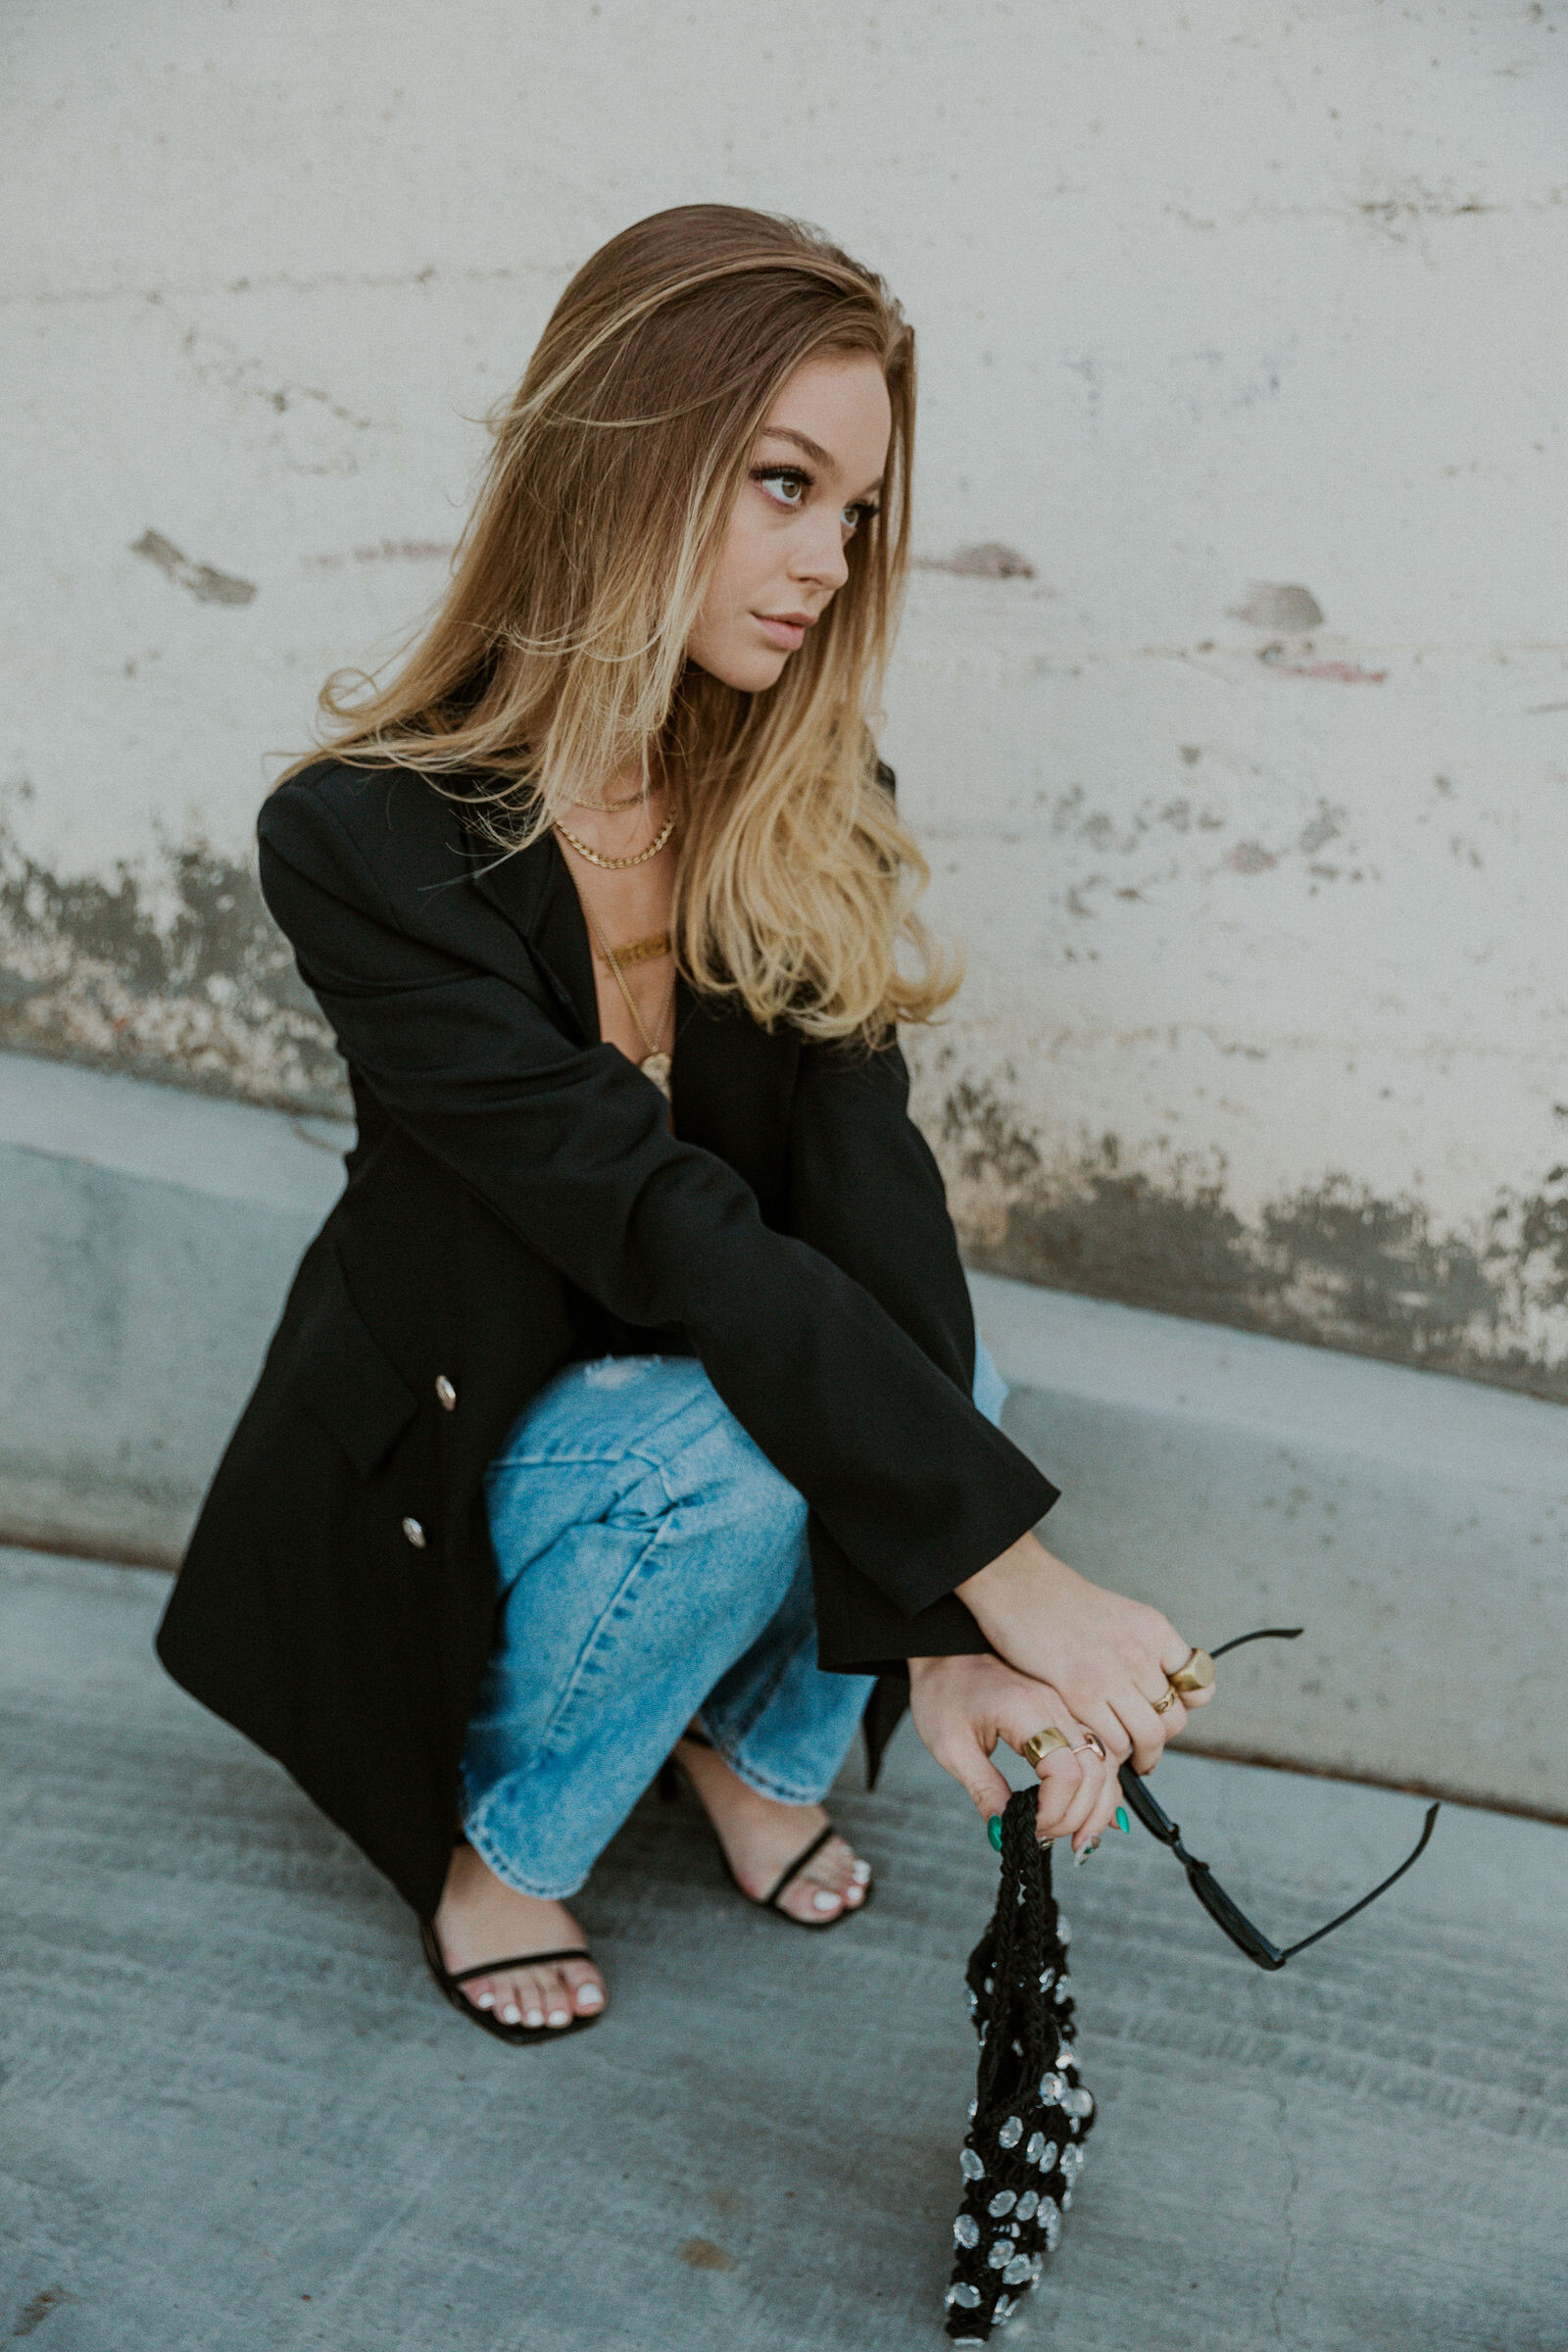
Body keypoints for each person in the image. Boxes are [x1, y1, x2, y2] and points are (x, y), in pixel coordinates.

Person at [156, 204, 1212, 2047]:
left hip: (696, 1364)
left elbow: (869, 1181)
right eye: (783, 485)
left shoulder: (796, 779)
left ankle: (744, 1744)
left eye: (854, 512)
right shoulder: (363, 837)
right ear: (620, 457)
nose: (825, 563)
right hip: (478, 1416)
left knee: (949, 1374)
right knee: (735, 1459)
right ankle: (505, 1851)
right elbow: (650, 1213)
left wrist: (949, 1629)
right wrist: (1013, 1572)